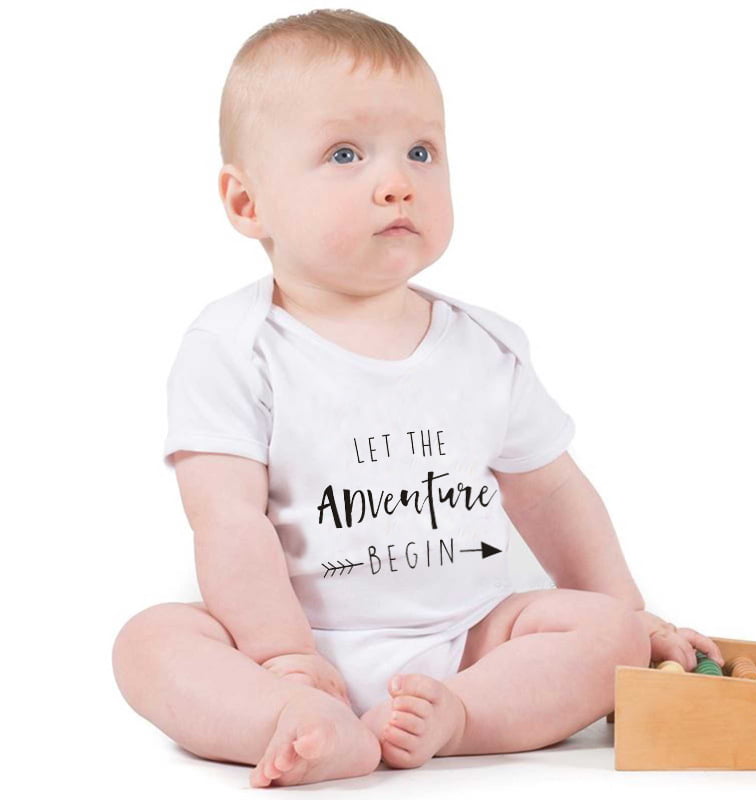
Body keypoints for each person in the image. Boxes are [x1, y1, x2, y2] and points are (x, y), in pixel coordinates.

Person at [111, 8, 725, 789]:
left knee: (604, 632)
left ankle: (457, 717)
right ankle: (291, 721)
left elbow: (555, 494)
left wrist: (633, 615)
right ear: (247, 203)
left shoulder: (484, 347)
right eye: (344, 154)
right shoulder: (235, 348)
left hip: (466, 643)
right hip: (289, 647)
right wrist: (285, 660)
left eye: (421, 151)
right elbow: (226, 521)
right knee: (150, 642)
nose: (398, 181)